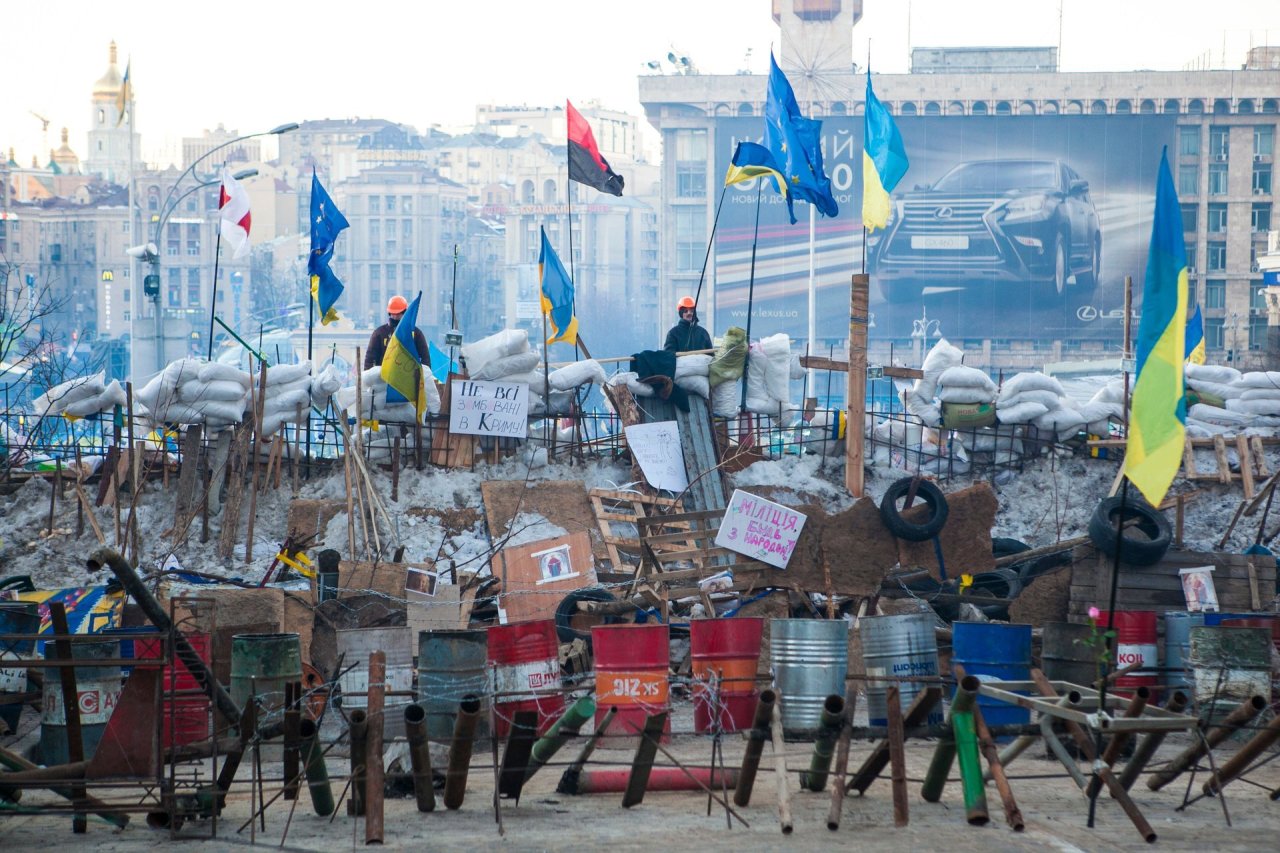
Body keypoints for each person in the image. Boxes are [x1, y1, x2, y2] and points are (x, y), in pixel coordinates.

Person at [365, 295, 431, 370]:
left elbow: (425, 358)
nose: (395, 317)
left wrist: (423, 376)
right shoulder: (379, 333)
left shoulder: (416, 334)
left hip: (409, 377)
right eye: (393, 314)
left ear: (404, 313)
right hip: (384, 377)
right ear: (389, 313)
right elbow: (369, 359)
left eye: (398, 314)